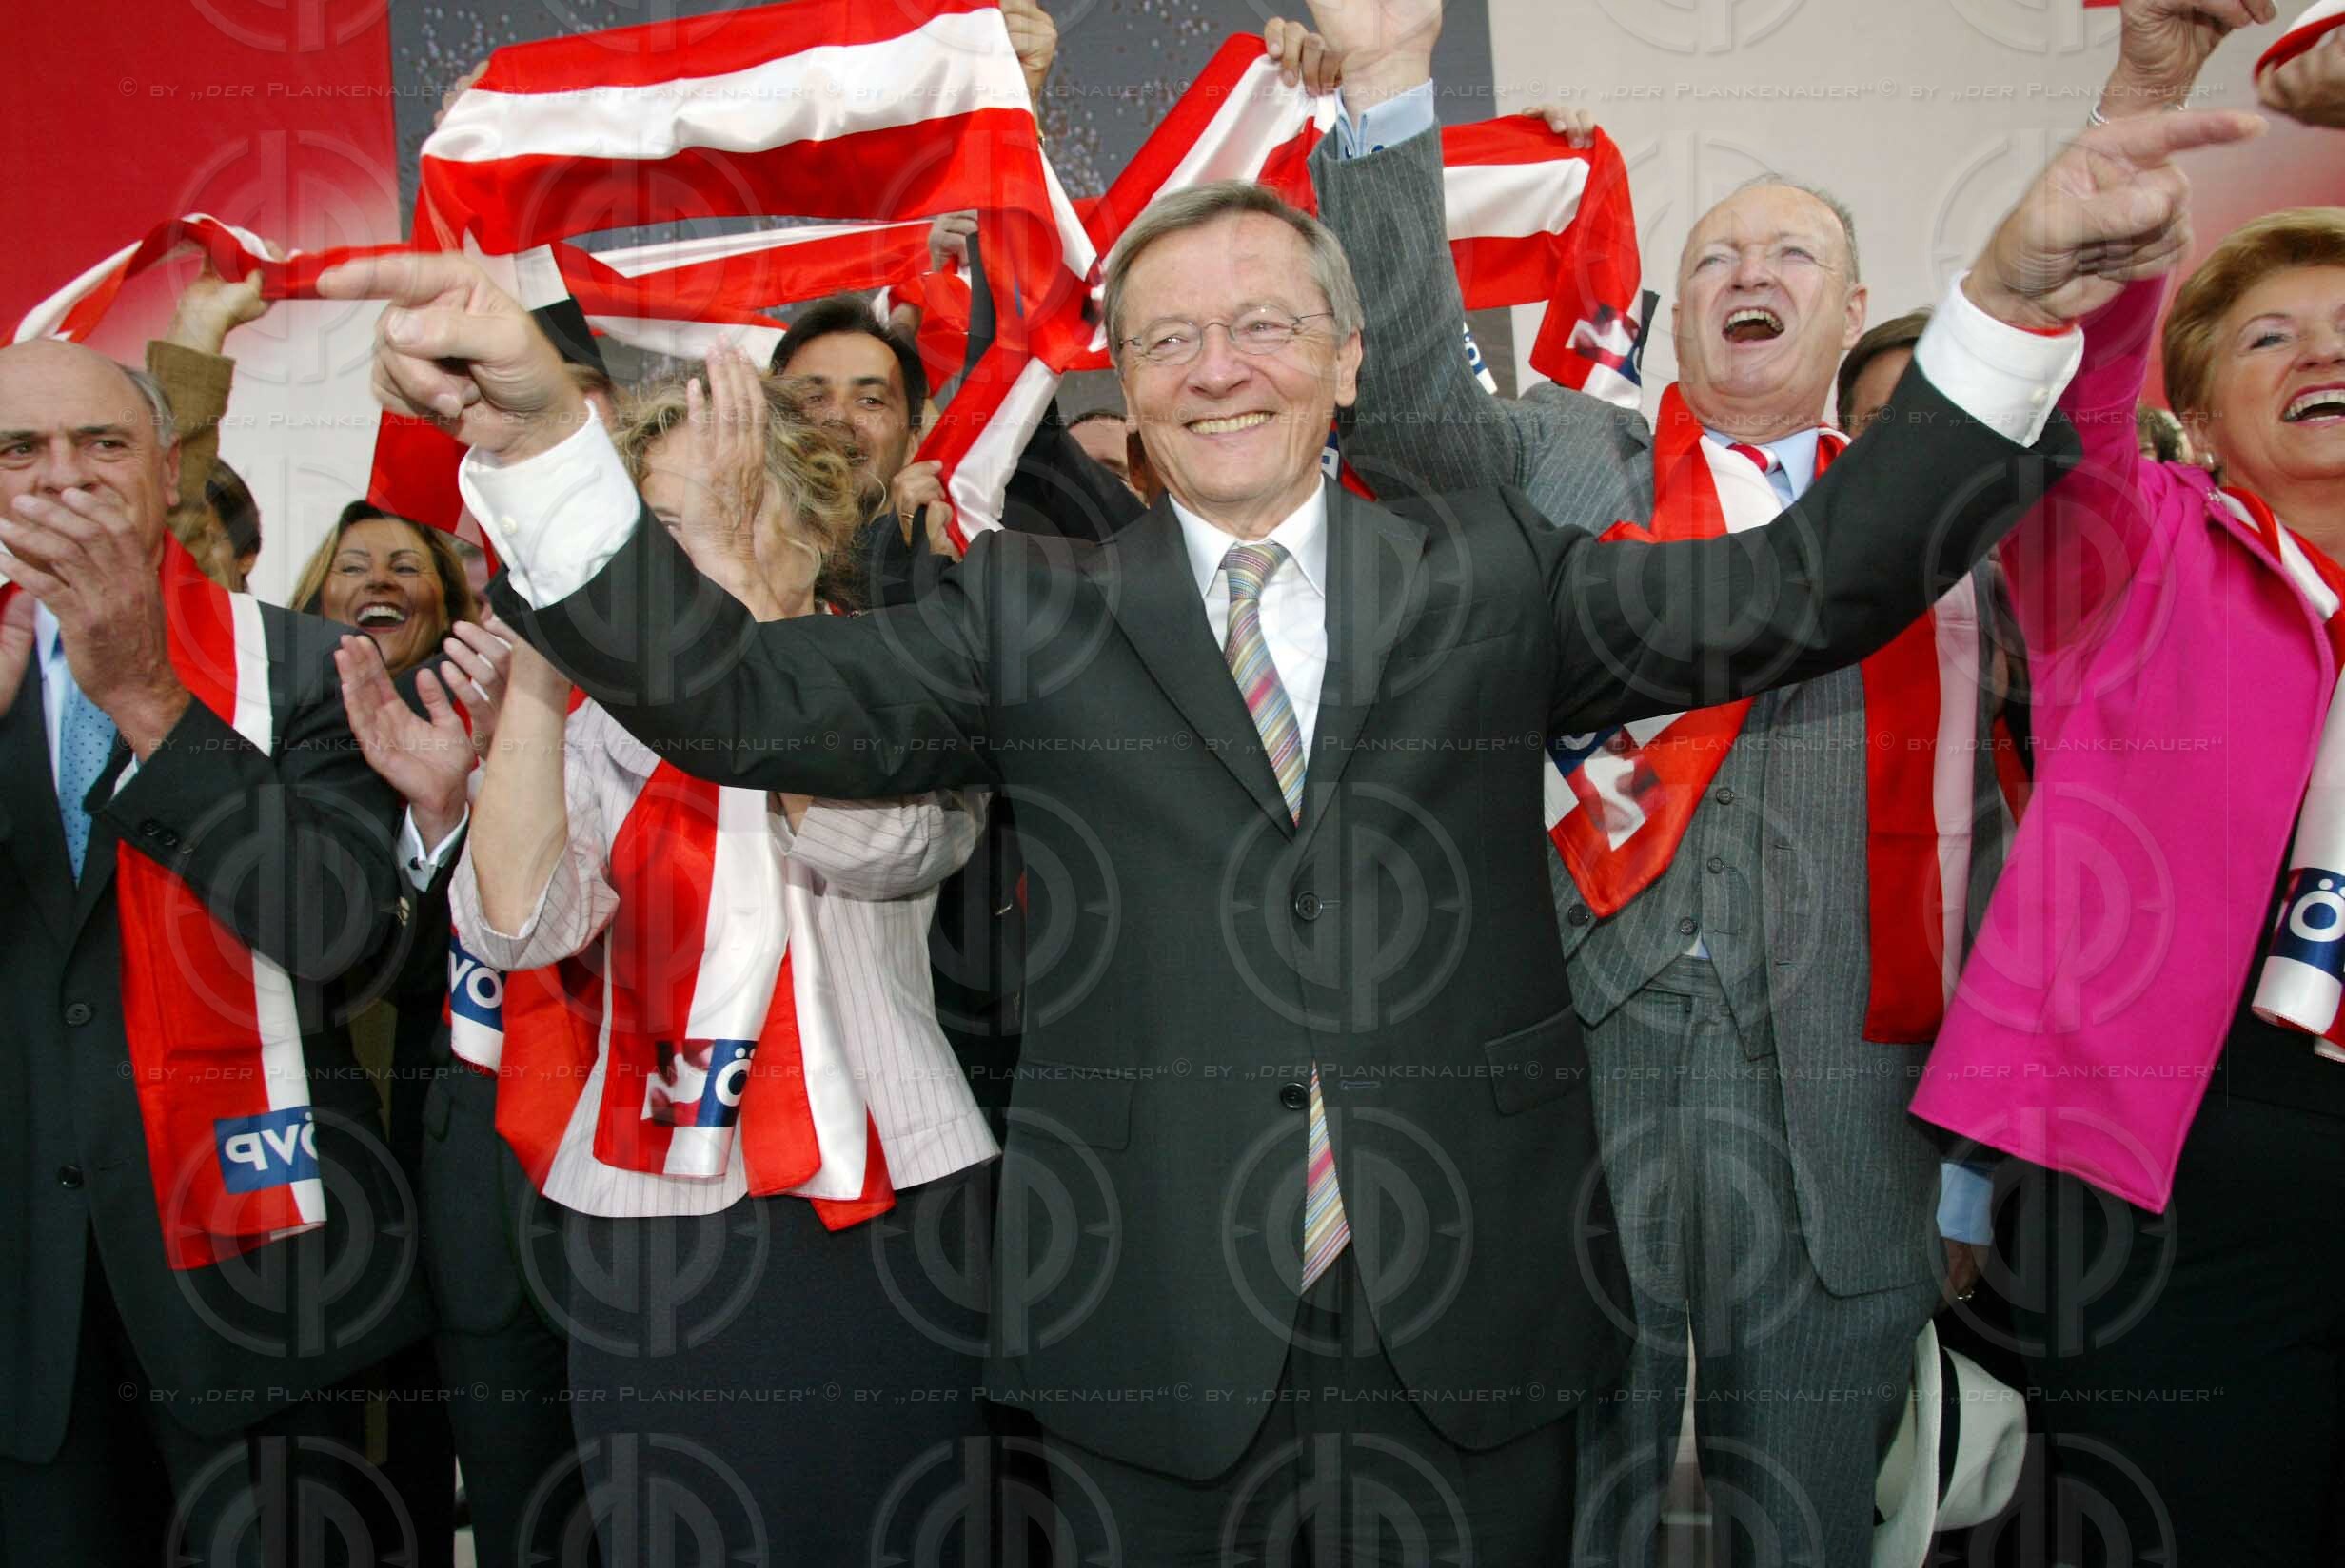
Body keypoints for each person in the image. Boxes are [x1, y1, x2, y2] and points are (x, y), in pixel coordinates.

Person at [318, 92, 2214, 1546]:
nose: (1216, 363)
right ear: (1125, 403)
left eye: (1259, 324)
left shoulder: (1496, 576)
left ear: (1346, 358)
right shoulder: (1022, 612)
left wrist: (2009, 301)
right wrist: (538, 446)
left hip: (1469, 1311)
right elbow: (734, 697)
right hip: (1143, 1320)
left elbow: (1812, 580)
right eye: (1165, 340)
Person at [1272, 4, 2073, 1554]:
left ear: (1851, 310)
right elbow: (1425, 414)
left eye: (1786, 258)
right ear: (1668, 316)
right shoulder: (1572, 466)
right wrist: (1380, 92)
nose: (1747, 279)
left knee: (1809, 1527)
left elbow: (2015, 862)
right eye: (1712, 259)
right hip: (1579, 1103)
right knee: (1586, 1519)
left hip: (1848, 1129)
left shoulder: (1936, 531)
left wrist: (1971, 1173)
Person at [1910, 8, 2345, 1560]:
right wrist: (2147, 85)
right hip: (2178, 1192)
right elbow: (2066, 394)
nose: (2322, 355)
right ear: (2200, 410)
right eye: (2268, 335)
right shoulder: (2141, 557)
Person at [448, 352, 997, 1564]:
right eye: (650, 535)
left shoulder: (907, 670)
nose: (673, 566)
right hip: (648, 1220)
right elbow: (518, 928)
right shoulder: (598, 723)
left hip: (879, 1204)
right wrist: (544, 672)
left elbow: (889, 845)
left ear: (812, 537)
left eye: (730, 516)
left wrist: (744, 626)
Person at [0, 338, 426, 1563]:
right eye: (19, 448)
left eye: (101, 444)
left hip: (261, 1304)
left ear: (166, 467)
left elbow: (343, 937)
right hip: (30, 1323)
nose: (58, 479)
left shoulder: (306, 667)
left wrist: (148, 699)